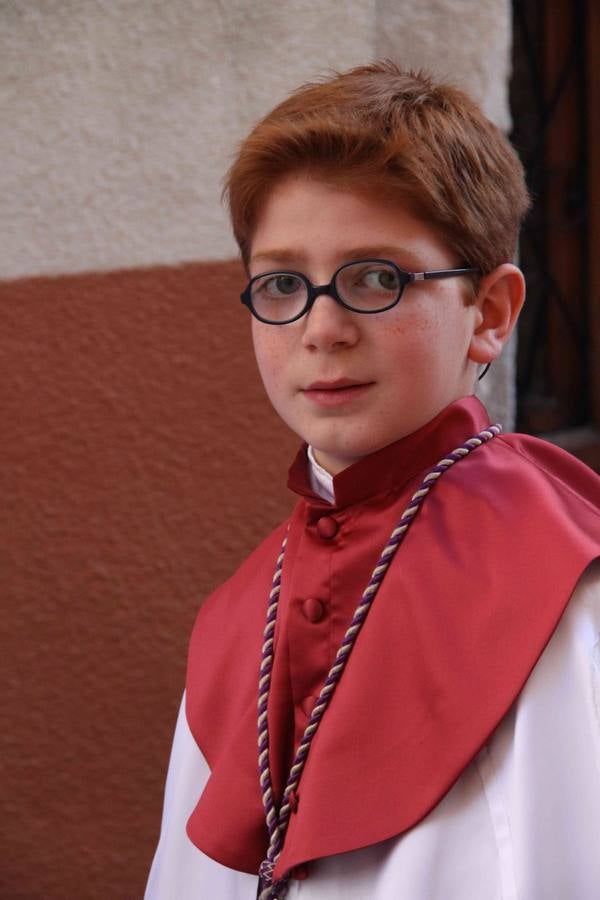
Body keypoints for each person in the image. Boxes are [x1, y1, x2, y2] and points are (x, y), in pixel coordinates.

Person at [145, 62, 600, 899]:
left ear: (490, 313)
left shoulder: (569, 592)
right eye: (283, 283)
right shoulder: (240, 610)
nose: (322, 329)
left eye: (375, 278)